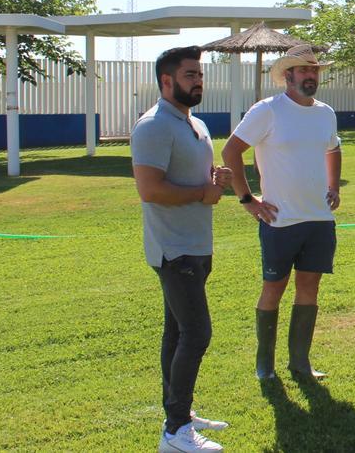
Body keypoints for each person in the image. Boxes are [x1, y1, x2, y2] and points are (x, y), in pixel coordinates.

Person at [131, 46, 231, 453]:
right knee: (196, 333)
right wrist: (202, 193)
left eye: (200, 74)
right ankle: (174, 433)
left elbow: (192, 179)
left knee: (176, 333)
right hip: (173, 249)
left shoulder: (196, 124)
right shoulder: (153, 126)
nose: (198, 81)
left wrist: (213, 178)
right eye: (190, 74)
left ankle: (179, 413)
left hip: (196, 244)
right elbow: (150, 189)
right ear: (166, 80)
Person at [222, 44, 342, 381]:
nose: (310, 76)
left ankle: (300, 363)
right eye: (304, 70)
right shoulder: (267, 110)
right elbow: (231, 150)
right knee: (273, 288)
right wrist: (248, 200)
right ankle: (265, 365)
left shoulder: (325, 113)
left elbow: (334, 148)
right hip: (279, 220)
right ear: (287, 75)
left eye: (314, 70)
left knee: (309, 288)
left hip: (319, 219)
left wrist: (334, 186)